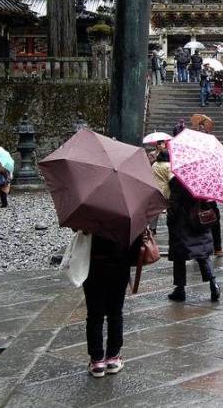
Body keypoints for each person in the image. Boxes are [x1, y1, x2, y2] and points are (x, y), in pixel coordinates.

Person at [83, 231, 140, 377]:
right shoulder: (126, 213)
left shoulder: (90, 211)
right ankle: (113, 357)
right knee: (115, 312)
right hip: (120, 263)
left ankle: (97, 361)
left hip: (93, 264)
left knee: (95, 314)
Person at [166, 177, 220, 302]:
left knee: (179, 257)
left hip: (182, 224)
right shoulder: (205, 180)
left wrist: (170, 220)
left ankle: (180, 289)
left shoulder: (177, 181)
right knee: (203, 254)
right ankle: (213, 284)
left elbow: (174, 206)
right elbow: (213, 205)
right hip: (200, 222)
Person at [189, 114, 223, 256]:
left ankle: (208, 247)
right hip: (206, 192)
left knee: (199, 219)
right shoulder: (209, 145)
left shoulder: (194, 145)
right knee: (212, 219)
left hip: (198, 192)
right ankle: (217, 247)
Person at [149, 144, 171, 233]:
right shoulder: (168, 166)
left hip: (155, 189)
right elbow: (171, 178)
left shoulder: (154, 165)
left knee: (155, 210)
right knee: (170, 209)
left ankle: (152, 228)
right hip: (166, 191)